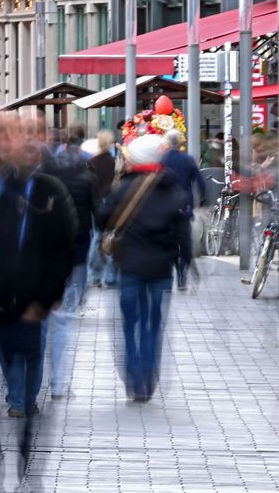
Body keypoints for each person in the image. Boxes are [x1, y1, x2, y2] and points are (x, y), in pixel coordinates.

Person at [0, 114, 78, 418]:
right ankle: (17, 394)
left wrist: (48, 296)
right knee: (6, 346)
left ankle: (22, 398)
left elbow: (63, 245)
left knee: (33, 343)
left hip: (35, 287)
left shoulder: (52, 189)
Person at [98, 132, 190, 402]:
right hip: (161, 269)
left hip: (129, 266)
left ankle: (134, 375)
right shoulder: (173, 189)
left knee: (130, 323)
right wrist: (183, 263)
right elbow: (183, 234)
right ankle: (148, 377)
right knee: (153, 323)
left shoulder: (123, 188)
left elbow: (102, 218)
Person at [40, 124, 100, 400]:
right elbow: (98, 213)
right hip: (78, 247)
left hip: (48, 251)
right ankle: (59, 383)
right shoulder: (87, 177)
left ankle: (38, 379)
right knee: (64, 314)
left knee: (44, 318)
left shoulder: (47, 178)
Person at [160, 130, 204, 290]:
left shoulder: (162, 160)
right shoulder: (188, 159)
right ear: (179, 143)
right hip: (185, 207)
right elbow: (200, 182)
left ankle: (175, 267)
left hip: (166, 207)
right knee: (185, 242)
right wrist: (203, 200)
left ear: (167, 143)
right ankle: (182, 272)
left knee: (170, 241)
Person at [88, 131, 118, 288]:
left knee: (97, 236)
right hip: (111, 203)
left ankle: (95, 275)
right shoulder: (114, 162)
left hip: (96, 202)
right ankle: (111, 277)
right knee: (111, 236)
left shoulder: (91, 162)